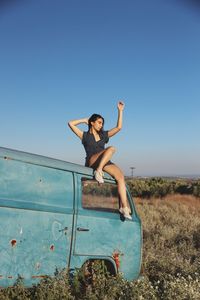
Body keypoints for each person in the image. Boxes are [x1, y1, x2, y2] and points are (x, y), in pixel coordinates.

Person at [68, 101, 132, 220]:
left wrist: (120, 111)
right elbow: (70, 123)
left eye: (102, 123)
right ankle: (98, 171)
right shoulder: (84, 136)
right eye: (99, 122)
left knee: (121, 177)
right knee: (112, 148)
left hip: (103, 162)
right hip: (92, 161)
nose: (101, 125)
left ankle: (124, 207)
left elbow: (119, 127)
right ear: (92, 123)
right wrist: (84, 120)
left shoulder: (104, 135)